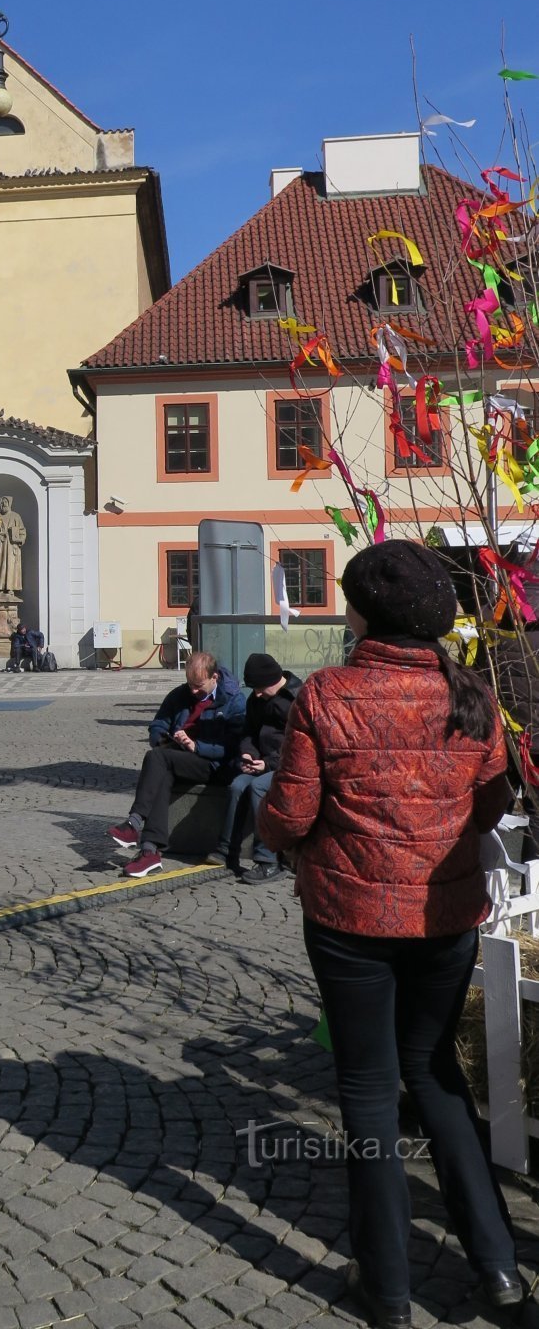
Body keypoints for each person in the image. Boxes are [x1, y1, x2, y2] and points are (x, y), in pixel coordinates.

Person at [259, 541, 521, 1324]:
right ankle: (500, 1271)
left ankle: (388, 1289)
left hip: (348, 919)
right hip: (442, 919)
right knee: (436, 1075)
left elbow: (289, 816)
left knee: (369, 1093)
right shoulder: (468, 693)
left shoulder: (328, 694)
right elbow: (487, 806)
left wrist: (286, 837)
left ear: (366, 611)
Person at [108, 650, 245, 878]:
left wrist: (196, 746)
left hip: (213, 765)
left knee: (157, 759)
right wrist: (164, 740)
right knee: (162, 770)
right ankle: (150, 852)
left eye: (198, 685)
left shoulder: (233, 700)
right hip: (178, 757)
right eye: (189, 684)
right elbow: (158, 725)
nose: (193, 690)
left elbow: (233, 746)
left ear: (215, 678)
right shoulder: (180, 695)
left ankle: (134, 824)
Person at [212, 652, 300, 883]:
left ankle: (268, 860)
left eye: (260, 688)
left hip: (290, 766)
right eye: (254, 689)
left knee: (259, 787)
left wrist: (269, 764)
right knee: (237, 786)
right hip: (262, 762)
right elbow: (249, 732)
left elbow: (303, 745)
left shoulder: (297, 700)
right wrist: (249, 754)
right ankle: (226, 850)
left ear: (275, 680)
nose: (257, 693)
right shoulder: (256, 699)